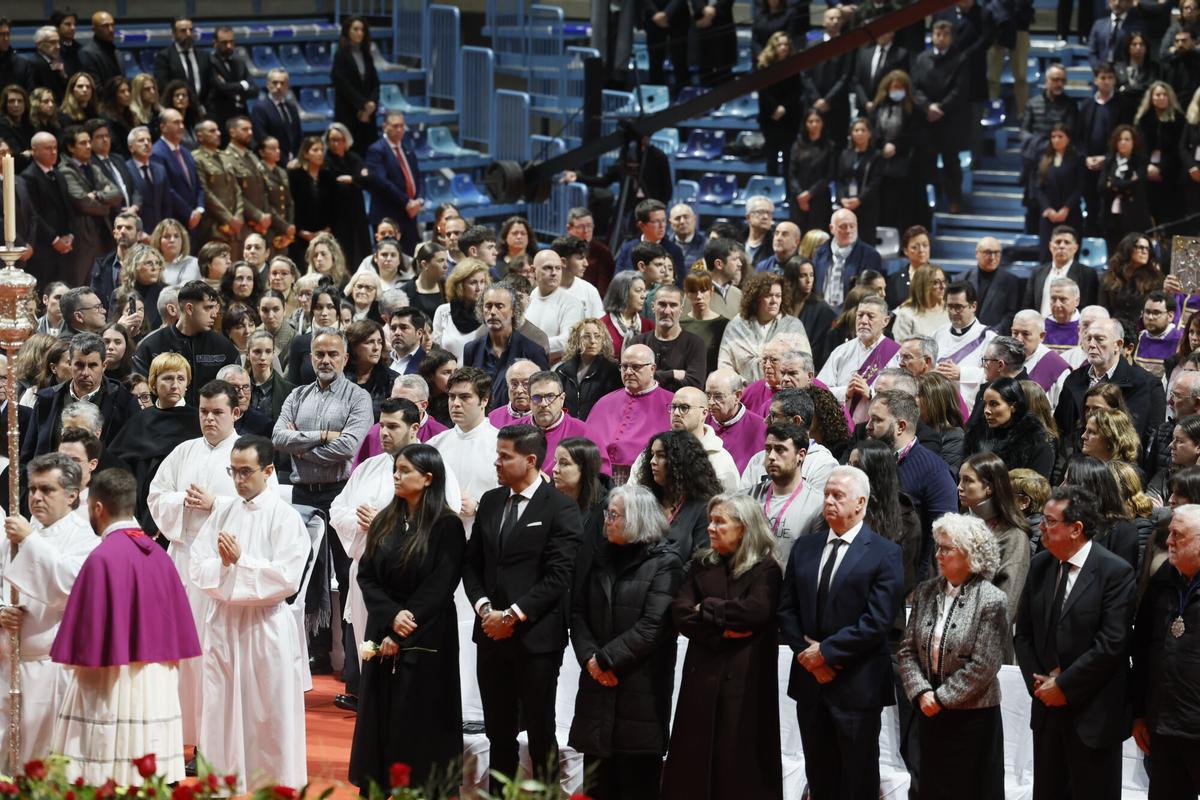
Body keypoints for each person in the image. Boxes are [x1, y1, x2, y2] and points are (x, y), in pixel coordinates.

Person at [49, 467, 202, 784]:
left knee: (109, 773)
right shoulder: (160, 557)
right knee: (150, 776)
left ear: (98, 508)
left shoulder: (103, 557)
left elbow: (86, 639)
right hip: (158, 688)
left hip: (113, 684)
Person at [145, 379, 272, 744]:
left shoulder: (249, 454)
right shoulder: (184, 451)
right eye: (203, 412)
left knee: (212, 654)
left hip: (223, 565)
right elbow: (156, 494)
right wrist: (180, 502)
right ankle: (180, 733)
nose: (209, 419)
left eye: (217, 412)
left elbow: (262, 508)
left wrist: (212, 504)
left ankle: (216, 739)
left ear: (236, 411)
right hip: (183, 559)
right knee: (178, 650)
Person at [462, 425, 582, 792]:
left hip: (537, 638)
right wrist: (485, 609)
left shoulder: (561, 507)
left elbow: (559, 575)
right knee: (497, 731)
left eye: (504, 456)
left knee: (541, 730)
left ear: (530, 460)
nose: (496, 462)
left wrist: (512, 615)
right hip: (490, 633)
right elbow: (472, 564)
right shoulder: (493, 501)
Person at [777, 465, 906, 800]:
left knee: (857, 778)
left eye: (838, 496)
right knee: (819, 776)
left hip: (857, 684)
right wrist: (808, 657)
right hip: (809, 681)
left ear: (860, 503)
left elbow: (878, 621)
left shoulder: (885, 552)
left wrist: (827, 653)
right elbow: (786, 610)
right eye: (826, 495)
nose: (829, 501)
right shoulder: (805, 546)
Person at [190, 435, 308, 792]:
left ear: (269, 471)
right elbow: (198, 564)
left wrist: (241, 563)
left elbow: (287, 578)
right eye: (233, 471)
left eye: (246, 472)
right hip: (224, 623)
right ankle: (223, 783)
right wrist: (224, 568)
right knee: (219, 710)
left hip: (264, 626)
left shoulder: (284, 517)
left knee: (267, 714)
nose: (238, 480)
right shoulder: (224, 511)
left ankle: (272, 787)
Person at [346, 440, 466, 789]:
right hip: (383, 623)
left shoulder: (446, 525)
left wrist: (402, 627)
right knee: (378, 712)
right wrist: (389, 616)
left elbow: (441, 584)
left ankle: (422, 789)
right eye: (395, 470)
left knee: (420, 714)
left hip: (426, 630)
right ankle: (378, 782)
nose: (396, 477)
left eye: (405, 471)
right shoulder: (386, 519)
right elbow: (367, 575)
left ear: (428, 478)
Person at [1014, 484, 1137, 800]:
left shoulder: (1115, 571)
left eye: (1050, 521)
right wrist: (1041, 685)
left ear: (1076, 529)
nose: (1041, 527)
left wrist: (1064, 686)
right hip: (1047, 710)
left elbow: (1112, 643)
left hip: (1093, 713)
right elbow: (1024, 633)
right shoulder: (1041, 564)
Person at [661, 493, 783, 800]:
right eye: (710, 521)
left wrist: (707, 608)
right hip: (702, 678)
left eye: (720, 522)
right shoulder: (701, 564)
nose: (711, 528)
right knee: (693, 762)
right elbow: (681, 613)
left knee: (739, 764)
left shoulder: (766, 569)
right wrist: (720, 632)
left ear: (743, 528)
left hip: (746, 682)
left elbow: (755, 612)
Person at [568, 484, 682, 800]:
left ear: (636, 519)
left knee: (636, 783)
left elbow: (652, 626)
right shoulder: (600, 555)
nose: (607, 520)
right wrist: (591, 659)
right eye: (608, 513)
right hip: (597, 686)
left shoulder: (666, 562)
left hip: (640, 688)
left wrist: (605, 660)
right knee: (597, 783)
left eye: (614, 515)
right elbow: (577, 612)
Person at [272, 326, 372, 672]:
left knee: (346, 577)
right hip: (302, 495)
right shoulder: (297, 395)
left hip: (340, 493)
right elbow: (278, 439)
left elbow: (349, 447)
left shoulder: (358, 398)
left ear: (345, 358)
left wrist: (303, 448)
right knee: (300, 577)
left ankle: (351, 665)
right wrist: (322, 437)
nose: (325, 360)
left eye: (333, 354)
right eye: (320, 354)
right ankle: (308, 656)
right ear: (311, 357)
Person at [897, 513, 1009, 800]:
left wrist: (941, 698)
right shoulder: (924, 592)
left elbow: (985, 665)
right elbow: (907, 650)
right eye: (938, 546)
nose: (938, 554)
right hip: (928, 712)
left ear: (970, 555)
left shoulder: (991, 599)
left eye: (946, 548)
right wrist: (922, 692)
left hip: (973, 721)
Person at [0, 454, 97, 763]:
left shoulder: (85, 538)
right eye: (32, 489)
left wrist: (30, 542)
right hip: (8, 663)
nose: (36, 497)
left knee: (43, 762)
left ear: (72, 495)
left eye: (47, 490)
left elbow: (70, 587)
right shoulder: (16, 537)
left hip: (53, 667)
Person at [1131, 503, 1200, 798]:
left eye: (1177, 535)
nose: (1168, 541)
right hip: (1163, 724)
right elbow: (1141, 651)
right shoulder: (1161, 580)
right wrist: (1138, 714)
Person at [23, 332, 140, 460]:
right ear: (71, 364)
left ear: (104, 366)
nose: (85, 372)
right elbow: (28, 454)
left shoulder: (124, 401)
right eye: (79, 365)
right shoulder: (47, 399)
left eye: (92, 365)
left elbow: (131, 456)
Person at [1055, 317, 1166, 444]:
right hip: (1076, 461)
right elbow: (1060, 429)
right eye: (1088, 338)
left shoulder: (1145, 384)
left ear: (1118, 345)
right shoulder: (1073, 379)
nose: (1091, 344)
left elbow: (1142, 437)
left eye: (1099, 339)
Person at [132, 280, 241, 406]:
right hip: (163, 420)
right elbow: (139, 393)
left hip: (210, 421)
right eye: (208, 308)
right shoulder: (151, 346)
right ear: (189, 308)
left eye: (215, 308)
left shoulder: (224, 347)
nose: (214, 314)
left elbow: (235, 393)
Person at [957, 452, 1033, 623]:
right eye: (960, 479)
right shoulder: (959, 524)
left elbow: (1007, 601)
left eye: (968, 480)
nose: (959, 487)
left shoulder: (1014, 537)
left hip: (985, 633)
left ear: (989, 487)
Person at [588, 343, 675, 483]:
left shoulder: (672, 403)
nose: (628, 372)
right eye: (624, 366)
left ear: (652, 368)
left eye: (635, 367)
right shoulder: (604, 402)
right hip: (602, 477)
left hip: (646, 477)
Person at [745, 421, 824, 565]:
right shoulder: (747, 498)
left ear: (801, 455)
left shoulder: (818, 505)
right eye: (768, 449)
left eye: (780, 449)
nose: (771, 456)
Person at [817, 295, 899, 424]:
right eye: (860, 315)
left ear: (885, 321)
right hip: (840, 426)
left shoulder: (895, 354)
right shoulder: (841, 352)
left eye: (870, 316)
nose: (863, 321)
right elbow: (819, 391)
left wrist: (871, 394)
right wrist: (846, 392)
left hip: (877, 429)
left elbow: (901, 399)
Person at [717, 272, 811, 382]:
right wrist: (742, 387)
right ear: (755, 298)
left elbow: (806, 364)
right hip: (743, 394)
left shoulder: (793, 326)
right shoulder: (736, 326)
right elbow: (724, 365)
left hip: (784, 392)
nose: (774, 301)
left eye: (778, 296)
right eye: (768, 296)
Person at [964, 376, 1057, 478]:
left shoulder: (1036, 443)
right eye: (985, 404)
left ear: (1013, 406)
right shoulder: (976, 434)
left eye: (994, 404)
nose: (986, 410)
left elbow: (1035, 489)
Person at [366, 112, 423, 254]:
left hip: (409, 213)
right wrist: (407, 202)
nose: (399, 129)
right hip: (388, 214)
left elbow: (417, 177)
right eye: (395, 126)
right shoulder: (376, 150)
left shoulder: (407, 148)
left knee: (411, 256)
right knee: (389, 258)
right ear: (385, 126)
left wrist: (419, 200)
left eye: (402, 126)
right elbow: (382, 183)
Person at [632, 284, 707, 391]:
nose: (667, 311)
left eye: (673, 305)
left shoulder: (695, 344)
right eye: (662, 304)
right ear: (653, 307)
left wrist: (650, 377)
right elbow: (633, 380)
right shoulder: (638, 343)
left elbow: (694, 386)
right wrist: (672, 374)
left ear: (681, 309)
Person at [554, 318, 622, 421]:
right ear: (576, 339)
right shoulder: (562, 371)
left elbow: (614, 408)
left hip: (598, 428)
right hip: (569, 428)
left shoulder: (612, 371)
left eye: (597, 336)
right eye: (586, 336)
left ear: (603, 340)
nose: (593, 341)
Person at [1099, 124, 1153, 249]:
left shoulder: (1140, 161)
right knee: (1113, 251)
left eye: (1127, 139)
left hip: (1134, 214)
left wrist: (1113, 184)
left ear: (1134, 142)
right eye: (1119, 139)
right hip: (1111, 215)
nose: (1122, 142)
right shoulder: (1109, 161)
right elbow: (1101, 187)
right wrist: (1126, 183)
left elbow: (1137, 185)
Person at [706, 369, 767, 472]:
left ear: (737, 396)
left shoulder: (761, 428)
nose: (711, 402)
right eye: (708, 395)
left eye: (718, 396)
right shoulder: (701, 421)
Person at [154, 18, 209, 105]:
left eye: (191, 30)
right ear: (174, 34)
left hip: (202, 108)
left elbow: (210, 84)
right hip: (176, 107)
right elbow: (163, 86)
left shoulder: (204, 56)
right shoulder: (164, 57)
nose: (188, 34)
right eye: (183, 31)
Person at [600, 270, 653, 357]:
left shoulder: (649, 326)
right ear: (622, 293)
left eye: (644, 291)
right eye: (638, 290)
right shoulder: (601, 326)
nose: (644, 296)